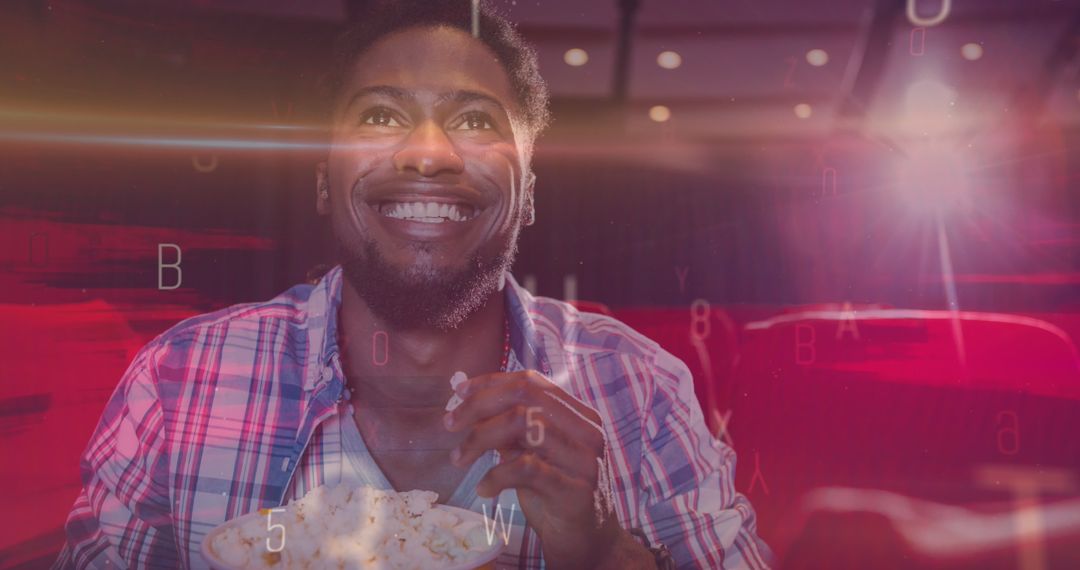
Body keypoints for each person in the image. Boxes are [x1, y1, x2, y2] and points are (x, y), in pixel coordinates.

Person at [54, 1, 772, 568]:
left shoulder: (640, 389)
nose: (428, 153)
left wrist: (604, 555)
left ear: (526, 193)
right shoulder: (178, 383)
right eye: (379, 115)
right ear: (322, 181)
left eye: (473, 120)